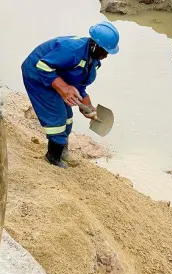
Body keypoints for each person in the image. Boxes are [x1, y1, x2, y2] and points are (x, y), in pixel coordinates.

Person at [21, 21, 120, 168]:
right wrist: (63, 87)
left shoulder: (93, 60)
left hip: (55, 76)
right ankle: (52, 158)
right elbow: (42, 66)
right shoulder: (72, 50)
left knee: (68, 117)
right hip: (37, 75)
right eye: (105, 50)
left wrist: (85, 101)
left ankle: (62, 152)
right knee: (57, 118)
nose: (106, 55)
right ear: (94, 45)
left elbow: (78, 81)